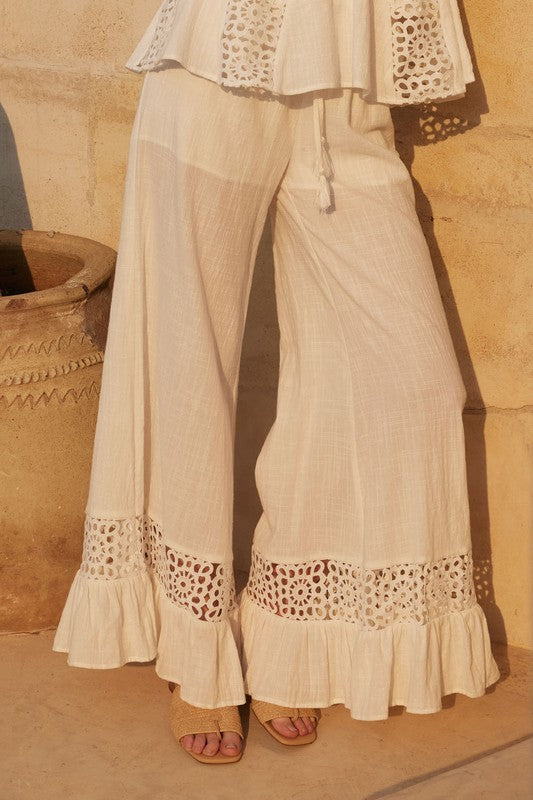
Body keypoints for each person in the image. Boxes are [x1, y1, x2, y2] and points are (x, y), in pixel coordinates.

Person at [53, 0, 501, 764]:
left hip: (349, 84)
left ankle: (292, 631)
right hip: (217, 66)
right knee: (186, 355)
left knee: (412, 378)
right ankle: (195, 651)